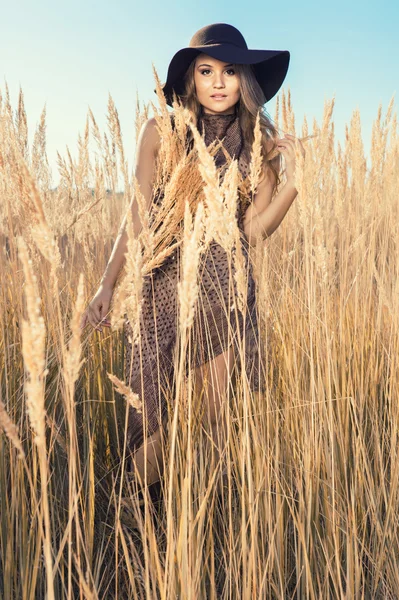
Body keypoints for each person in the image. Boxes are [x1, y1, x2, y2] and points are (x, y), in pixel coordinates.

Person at [80, 23, 306, 492]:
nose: (218, 82)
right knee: (150, 420)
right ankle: (137, 525)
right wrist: (107, 284)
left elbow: (252, 233)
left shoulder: (259, 147)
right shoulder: (161, 133)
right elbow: (137, 216)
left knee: (213, 420)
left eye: (229, 71)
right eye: (207, 70)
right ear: (191, 78)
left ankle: (210, 528)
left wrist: (294, 184)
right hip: (162, 288)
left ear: (246, 80)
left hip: (225, 292)